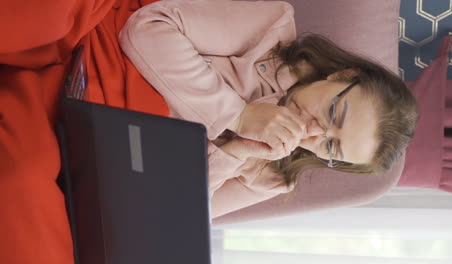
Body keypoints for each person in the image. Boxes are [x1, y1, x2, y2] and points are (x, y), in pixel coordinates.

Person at [119, 0, 418, 217]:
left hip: (120, 168)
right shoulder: (270, 31)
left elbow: (176, 216)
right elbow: (150, 27)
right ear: (344, 75)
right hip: (113, 85)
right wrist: (237, 115)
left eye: (329, 146)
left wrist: (235, 151)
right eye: (332, 113)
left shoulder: (273, 179)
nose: (313, 130)